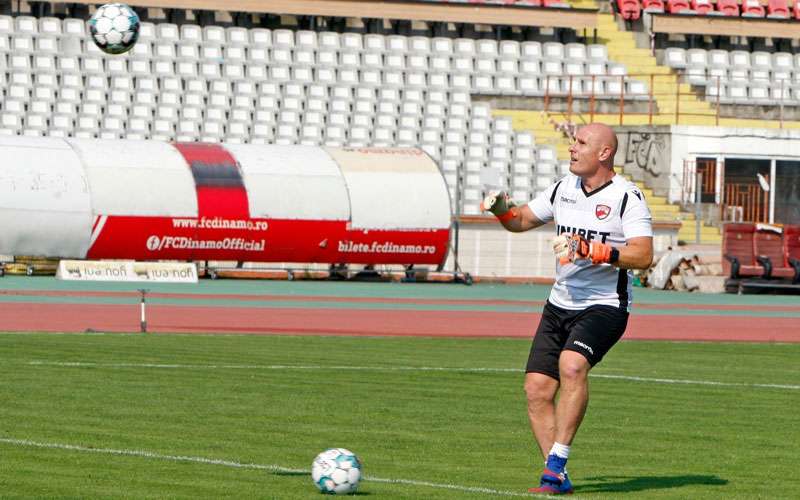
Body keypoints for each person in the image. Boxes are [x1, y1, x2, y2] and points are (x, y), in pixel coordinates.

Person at [481, 123, 653, 495]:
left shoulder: (628, 197)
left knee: (572, 365)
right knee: (537, 391)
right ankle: (556, 474)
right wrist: (500, 209)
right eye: (572, 142)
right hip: (559, 304)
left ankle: (555, 467)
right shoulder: (564, 188)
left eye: (580, 143)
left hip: (605, 306)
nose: (572, 149)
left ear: (604, 153)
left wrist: (594, 250)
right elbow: (521, 220)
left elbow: (643, 254)